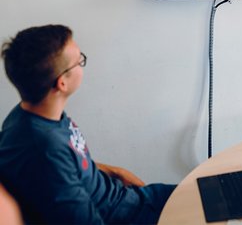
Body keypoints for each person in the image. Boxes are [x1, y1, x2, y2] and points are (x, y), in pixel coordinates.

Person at [0, 25, 177, 224]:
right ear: (62, 83)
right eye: (79, 61)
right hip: (126, 217)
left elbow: (73, 163)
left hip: (131, 199)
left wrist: (114, 171)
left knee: (212, 189)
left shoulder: (26, 115)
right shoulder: (46, 150)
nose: (82, 64)